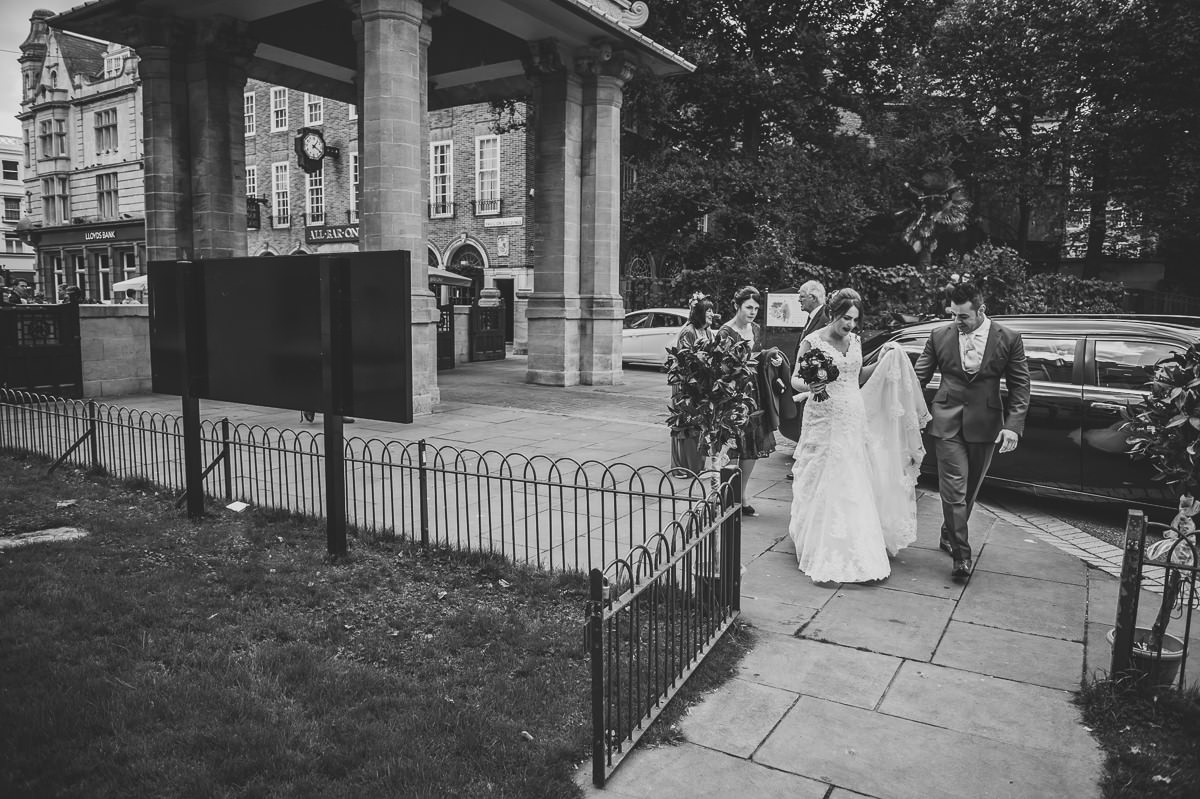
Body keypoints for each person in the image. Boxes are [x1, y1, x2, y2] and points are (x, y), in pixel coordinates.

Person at [788, 288, 929, 584]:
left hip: (853, 414)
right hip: (823, 416)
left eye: (854, 319)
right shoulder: (812, 341)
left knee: (853, 474)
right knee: (820, 472)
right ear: (832, 313)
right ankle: (813, 536)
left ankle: (855, 539)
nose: (850, 324)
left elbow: (858, 375)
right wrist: (809, 386)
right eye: (844, 318)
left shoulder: (855, 341)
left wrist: (887, 361)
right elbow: (795, 378)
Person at [914, 281, 1030, 581]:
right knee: (954, 489)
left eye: (963, 316)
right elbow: (918, 378)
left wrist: (1013, 427)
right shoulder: (939, 335)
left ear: (981, 310)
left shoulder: (1009, 338)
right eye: (953, 314)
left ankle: (948, 531)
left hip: (987, 424)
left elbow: (1020, 386)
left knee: (970, 490)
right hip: (946, 421)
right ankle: (961, 555)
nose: (956, 322)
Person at [717, 286, 784, 517]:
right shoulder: (725, 331)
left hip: (754, 393)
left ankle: (742, 494)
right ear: (737, 306)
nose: (753, 311)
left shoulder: (755, 328)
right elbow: (720, 366)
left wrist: (769, 358)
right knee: (732, 445)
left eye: (756, 308)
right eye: (749, 307)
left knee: (752, 446)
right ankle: (726, 494)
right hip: (733, 394)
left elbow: (758, 354)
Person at [670, 293, 717, 474]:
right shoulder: (688, 331)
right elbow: (685, 361)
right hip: (686, 385)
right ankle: (683, 467)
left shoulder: (707, 331)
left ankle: (696, 466)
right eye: (708, 310)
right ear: (699, 313)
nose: (712, 314)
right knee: (687, 424)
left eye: (712, 310)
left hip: (701, 384)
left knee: (700, 424)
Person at [795, 280, 828, 356]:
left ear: (813, 298)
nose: (799, 300)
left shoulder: (824, 319)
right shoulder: (813, 316)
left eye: (802, 297)